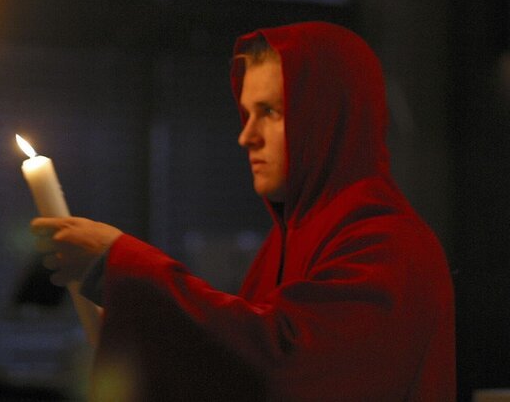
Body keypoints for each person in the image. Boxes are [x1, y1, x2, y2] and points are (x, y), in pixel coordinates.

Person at [31, 21, 455, 401]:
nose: (246, 136)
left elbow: (280, 371)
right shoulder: (291, 238)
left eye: (269, 112)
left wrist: (124, 270)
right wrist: (131, 314)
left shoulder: (389, 246)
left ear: (327, 116)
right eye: (248, 113)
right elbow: (225, 367)